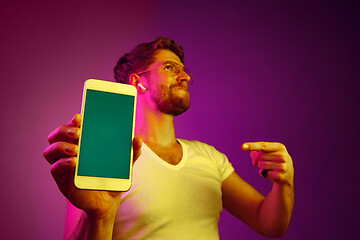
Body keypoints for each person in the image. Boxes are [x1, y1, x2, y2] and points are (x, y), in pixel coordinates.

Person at [43, 36, 294, 240]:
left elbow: (269, 223)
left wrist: (284, 182)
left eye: (184, 70)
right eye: (169, 67)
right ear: (137, 81)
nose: (185, 76)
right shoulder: (105, 157)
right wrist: (97, 217)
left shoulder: (210, 157)